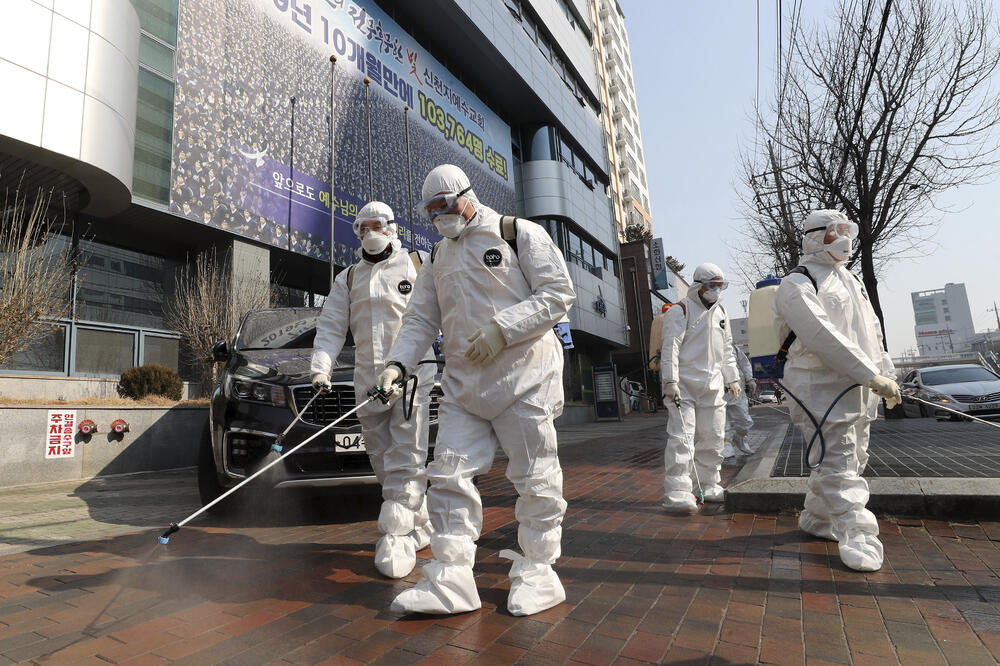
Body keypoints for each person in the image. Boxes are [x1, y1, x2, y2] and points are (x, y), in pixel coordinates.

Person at [376, 164, 575, 616]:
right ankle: (451, 578)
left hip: (524, 377)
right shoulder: (437, 258)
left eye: (443, 206)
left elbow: (558, 293)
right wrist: (396, 365)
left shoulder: (515, 233)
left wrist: (503, 329)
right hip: (464, 386)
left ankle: (539, 571)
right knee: (447, 475)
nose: (438, 217)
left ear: (466, 195)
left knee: (536, 477)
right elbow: (421, 319)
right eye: (430, 211)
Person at [310, 201, 435, 579]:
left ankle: (396, 537)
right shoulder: (348, 278)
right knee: (382, 461)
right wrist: (321, 369)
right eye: (360, 228)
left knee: (407, 454)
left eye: (375, 225)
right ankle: (421, 522)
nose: (368, 233)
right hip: (368, 383)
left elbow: (443, 310)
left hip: (412, 376)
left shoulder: (419, 264)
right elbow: (331, 326)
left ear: (392, 226)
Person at [773, 209, 900, 572]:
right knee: (840, 462)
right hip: (819, 387)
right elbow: (820, 335)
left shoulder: (852, 281)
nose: (844, 238)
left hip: (857, 386)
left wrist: (883, 373)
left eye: (847, 231)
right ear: (814, 237)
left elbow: (871, 332)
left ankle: (817, 519)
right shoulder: (796, 284)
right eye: (834, 232)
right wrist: (869, 374)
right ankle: (857, 535)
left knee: (851, 458)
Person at [660, 262, 741, 513]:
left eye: (720, 285)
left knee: (713, 437)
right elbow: (670, 346)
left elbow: (727, 349)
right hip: (684, 386)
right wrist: (670, 380)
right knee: (682, 439)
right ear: (698, 285)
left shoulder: (721, 313)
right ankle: (678, 491)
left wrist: (733, 378)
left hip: (713, 386)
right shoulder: (680, 311)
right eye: (712, 285)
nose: (716, 290)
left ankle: (709, 483)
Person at [725, 343, 755, 455]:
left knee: (744, 420)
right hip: (718, 393)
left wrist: (750, 379)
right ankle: (726, 445)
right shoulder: (706, 347)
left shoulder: (734, 348)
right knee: (722, 423)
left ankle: (741, 438)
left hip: (738, 392)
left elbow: (745, 363)